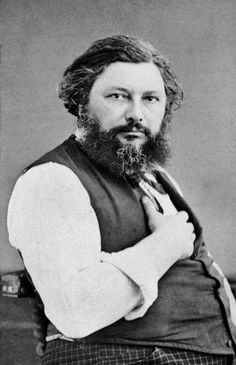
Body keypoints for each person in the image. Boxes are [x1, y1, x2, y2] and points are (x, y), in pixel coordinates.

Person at [7, 35, 236, 364]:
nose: (137, 114)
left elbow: (204, 269)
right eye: (118, 96)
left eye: (151, 99)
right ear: (81, 100)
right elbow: (76, 312)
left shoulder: (155, 176)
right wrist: (166, 246)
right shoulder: (50, 180)